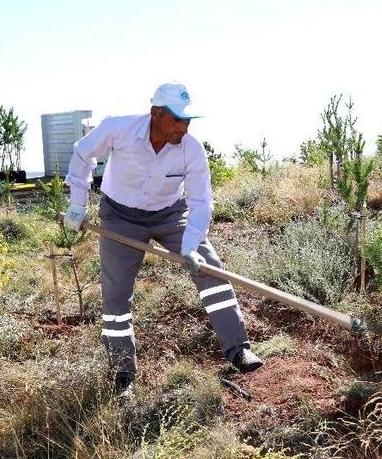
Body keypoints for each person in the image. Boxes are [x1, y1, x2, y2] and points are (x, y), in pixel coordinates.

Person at [62, 82, 263, 399]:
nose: (184, 127)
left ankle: (238, 349)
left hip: (171, 214)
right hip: (120, 217)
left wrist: (190, 247)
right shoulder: (119, 129)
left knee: (210, 269)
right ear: (155, 113)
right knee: (116, 296)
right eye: (177, 119)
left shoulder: (191, 149)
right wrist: (77, 203)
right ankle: (123, 372)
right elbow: (82, 152)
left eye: (188, 120)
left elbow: (201, 203)